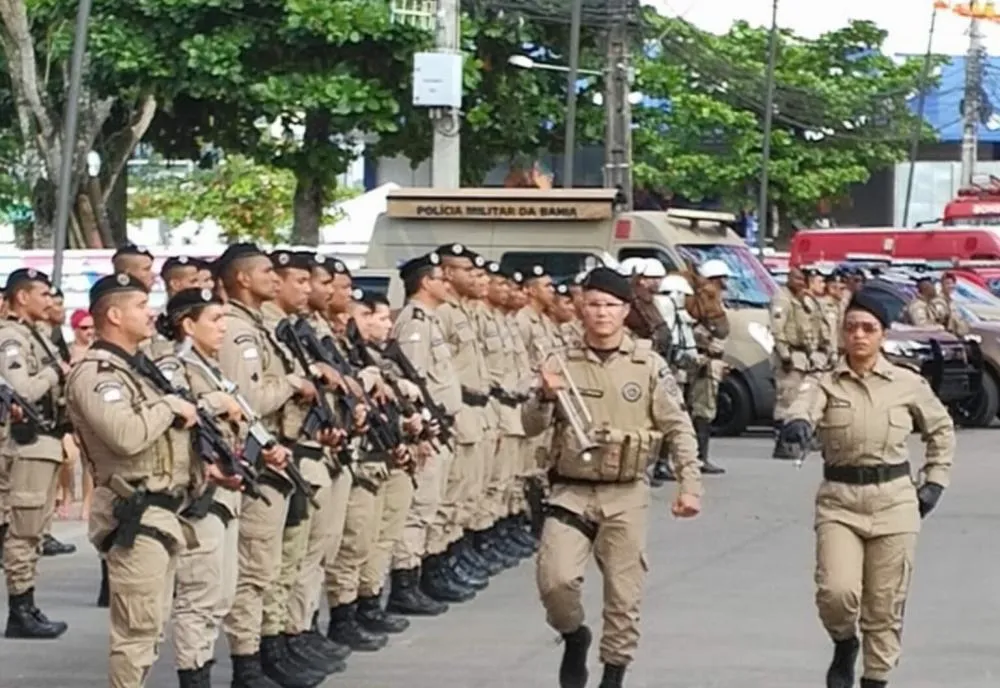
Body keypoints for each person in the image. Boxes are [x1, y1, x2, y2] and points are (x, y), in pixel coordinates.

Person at [524, 266, 702, 688]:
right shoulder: (560, 363)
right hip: (570, 490)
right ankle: (573, 635)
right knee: (556, 580)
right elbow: (531, 426)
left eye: (610, 306)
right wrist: (544, 397)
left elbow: (678, 427)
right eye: (593, 305)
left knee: (624, 595)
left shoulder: (647, 364)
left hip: (625, 494)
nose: (601, 314)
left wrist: (690, 485)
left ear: (625, 311)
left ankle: (613, 674)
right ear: (582, 309)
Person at [779, 288, 955, 688]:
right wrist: (798, 426)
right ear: (843, 334)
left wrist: (935, 481)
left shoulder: (906, 383)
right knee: (836, 593)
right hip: (840, 503)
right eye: (852, 327)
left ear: (882, 335)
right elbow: (802, 407)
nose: (859, 335)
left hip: (895, 501)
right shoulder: (825, 383)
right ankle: (844, 643)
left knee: (884, 604)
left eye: (868, 328)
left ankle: (876, 678)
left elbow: (941, 431)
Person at [66, 272, 197, 682]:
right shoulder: (97, 374)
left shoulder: (135, 369)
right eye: (142, 306)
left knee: (150, 626)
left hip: (162, 511)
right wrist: (169, 407)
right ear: (115, 314)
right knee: (135, 632)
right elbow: (125, 436)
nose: (151, 312)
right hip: (134, 513)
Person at [214, 243, 311, 688]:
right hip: (257, 459)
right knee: (254, 568)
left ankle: (267, 650)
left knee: (270, 564)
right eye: (267, 272)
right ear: (242, 279)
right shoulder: (237, 330)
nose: (277, 278)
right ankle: (246, 664)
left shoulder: (258, 327)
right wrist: (291, 383)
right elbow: (248, 401)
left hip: (277, 454)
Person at [153, 287, 246, 687]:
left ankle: (203, 670)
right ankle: (193, 679)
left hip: (224, 491)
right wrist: (214, 402)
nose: (223, 327)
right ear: (187, 325)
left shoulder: (209, 366)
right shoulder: (174, 365)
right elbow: (177, 412)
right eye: (215, 320)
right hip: (197, 495)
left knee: (222, 594)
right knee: (199, 596)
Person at [385, 251, 469, 609]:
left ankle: (420, 575)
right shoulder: (415, 324)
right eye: (440, 278)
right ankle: (405, 585)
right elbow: (411, 381)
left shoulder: (429, 321)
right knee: (418, 511)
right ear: (425, 282)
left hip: (441, 425)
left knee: (432, 506)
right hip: (427, 430)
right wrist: (420, 433)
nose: (447, 284)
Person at [0, 268, 71, 639]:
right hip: (28, 443)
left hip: (46, 442)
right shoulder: (11, 338)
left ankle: (28, 604)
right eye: (42, 294)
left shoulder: (36, 335)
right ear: (22, 297)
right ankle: (20, 609)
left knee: (35, 529)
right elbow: (22, 389)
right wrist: (55, 372)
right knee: (24, 531)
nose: (49, 300)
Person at [769, 267, 827, 460]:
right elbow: (778, 330)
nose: (800, 282)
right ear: (789, 278)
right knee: (785, 399)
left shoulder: (801, 299)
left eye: (803, 279)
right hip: (789, 355)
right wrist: (784, 355)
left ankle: (792, 441)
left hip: (802, 357)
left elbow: (807, 329)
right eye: (797, 279)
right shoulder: (782, 299)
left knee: (797, 400)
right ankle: (781, 443)